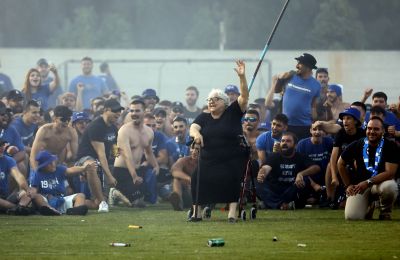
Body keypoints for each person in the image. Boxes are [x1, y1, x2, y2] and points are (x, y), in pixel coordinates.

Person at [189, 60, 248, 222]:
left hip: (231, 158)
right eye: (209, 99)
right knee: (196, 177)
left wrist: (242, 77)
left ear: (225, 103)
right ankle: (196, 213)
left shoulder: (233, 113)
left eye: (216, 99)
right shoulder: (204, 117)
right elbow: (193, 127)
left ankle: (232, 213)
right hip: (208, 159)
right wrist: (196, 135)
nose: (211, 101)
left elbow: (244, 97)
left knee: (231, 176)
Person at [338, 117, 399, 220]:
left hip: (380, 184)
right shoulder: (358, 144)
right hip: (360, 186)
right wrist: (348, 185)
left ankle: (385, 212)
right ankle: (370, 207)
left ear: (383, 131)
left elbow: (390, 173)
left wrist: (367, 182)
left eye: (376, 129)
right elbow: (340, 163)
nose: (372, 132)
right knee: (352, 217)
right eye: (369, 128)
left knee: (390, 186)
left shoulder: (390, 146)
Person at [75, 99, 123, 212]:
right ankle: (103, 202)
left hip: (101, 161)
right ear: (106, 110)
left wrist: (119, 156)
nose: (118, 113)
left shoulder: (113, 128)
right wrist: (110, 176)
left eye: (120, 111)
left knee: (94, 204)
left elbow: (114, 148)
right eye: (115, 111)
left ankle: (71, 202)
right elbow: (101, 154)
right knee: (92, 165)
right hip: (85, 159)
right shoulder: (96, 126)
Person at [113, 98, 159, 206]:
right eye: (132, 111)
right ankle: (115, 192)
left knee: (164, 176)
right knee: (138, 203)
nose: (134, 113)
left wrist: (156, 165)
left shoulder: (149, 131)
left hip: (138, 170)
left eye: (137, 111)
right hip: (122, 171)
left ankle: (122, 194)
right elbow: (126, 156)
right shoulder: (124, 130)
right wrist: (134, 176)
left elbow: (148, 152)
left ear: (144, 111)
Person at [257, 132, 320, 209]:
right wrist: (262, 175)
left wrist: (301, 174)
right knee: (258, 183)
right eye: (283, 141)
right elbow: (265, 168)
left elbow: (316, 168)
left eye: (288, 141)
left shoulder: (301, 157)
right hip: (276, 189)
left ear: (295, 145)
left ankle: (270, 203)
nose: (284, 143)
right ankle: (282, 205)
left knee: (306, 180)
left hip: (292, 190)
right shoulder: (274, 156)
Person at [30, 150, 95, 215]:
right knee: (37, 196)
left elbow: (71, 170)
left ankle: (75, 210)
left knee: (80, 196)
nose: (52, 164)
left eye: (52, 161)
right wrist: (32, 192)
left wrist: (83, 168)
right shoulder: (37, 174)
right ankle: (49, 210)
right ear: (43, 166)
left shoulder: (59, 169)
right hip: (46, 201)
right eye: (49, 163)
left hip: (60, 199)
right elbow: (34, 189)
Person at [327, 107, 365, 209]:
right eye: (343, 118)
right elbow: (334, 156)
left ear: (356, 121)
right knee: (330, 165)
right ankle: (329, 198)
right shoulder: (340, 133)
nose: (345, 121)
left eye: (348, 118)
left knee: (357, 163)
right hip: (342, 164)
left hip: (357, 164)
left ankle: (360, 192)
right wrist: (334, 177)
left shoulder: (362, 133)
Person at [29, 105, 78, 183]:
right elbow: (33, 156)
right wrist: (36, 173)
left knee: (68, 190)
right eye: (63, 119)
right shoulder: (44, 130)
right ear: (55, 118)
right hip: (42, 164)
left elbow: (76, 156)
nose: (66, 122)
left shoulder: (71, 132)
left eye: (68, 120)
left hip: (58, 165)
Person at [280, 53, 321, 140]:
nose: (297, 66)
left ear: (308, 67)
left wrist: (315, 122)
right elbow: (277, 90)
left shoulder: (317, 85)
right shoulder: (290, 76)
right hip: (286, 124)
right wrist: (279, 79)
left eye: (300, 63)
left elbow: (313, 106)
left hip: (304, 126)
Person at [296, 122, 333, 205]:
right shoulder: (302, 144)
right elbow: (300, 168)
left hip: (326, 178)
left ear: (324, 131)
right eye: (314, 129)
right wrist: (314, 185)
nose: (317, 132)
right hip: (309, 179)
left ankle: (329, 196)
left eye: (320, 129)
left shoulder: (329, 142)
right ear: (310, 131)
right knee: (311, 200)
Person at [0, 138, 32, 215]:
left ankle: (20, 207)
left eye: (2, 145)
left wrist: (27, 190)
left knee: (25, 193)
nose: (1, 148)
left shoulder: (8, 160)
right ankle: (17, 208)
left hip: (5, 196)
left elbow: (18, 175)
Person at [169, 143, 200, 211]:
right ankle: (178, 201)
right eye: (192, 148)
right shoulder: (184, 160)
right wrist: (189, 179)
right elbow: (174, 171)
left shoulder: (205, 162)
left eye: (197, 149)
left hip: (198, 194)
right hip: (186, 192)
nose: (194, 151)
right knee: (177, 179)